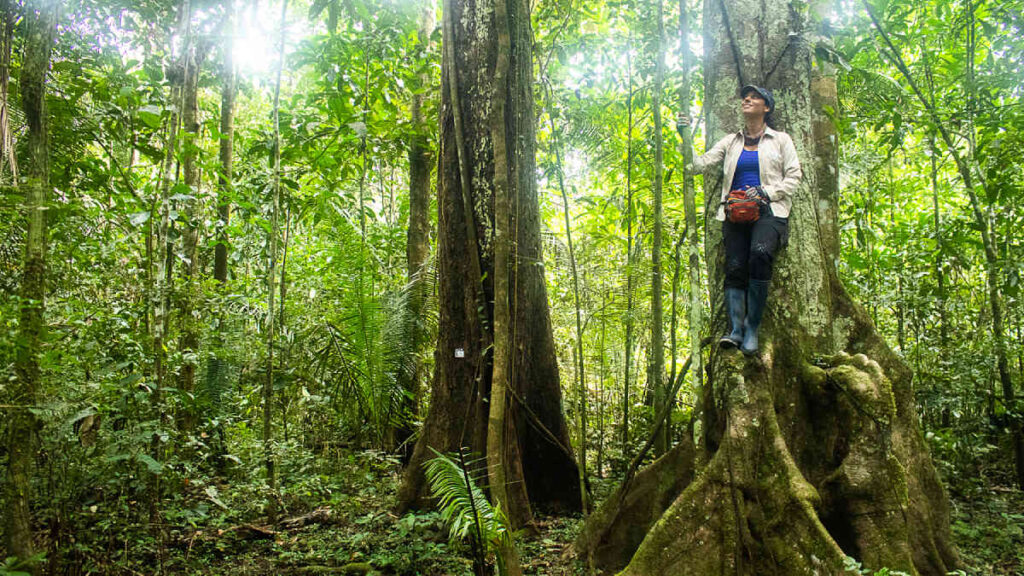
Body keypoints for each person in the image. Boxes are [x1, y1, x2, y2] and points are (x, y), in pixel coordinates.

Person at [676, 85, 801, 356]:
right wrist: (684, 135)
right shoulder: (731, 141)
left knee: (759, 254)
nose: (747, 99)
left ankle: (752, 328)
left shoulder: (781, 140)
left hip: (769, 211)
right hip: (734, 212)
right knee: (733, 267)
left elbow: (794, 176)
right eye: (746, 96)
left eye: (755, 97)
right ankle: (735, 330)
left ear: (766, 107)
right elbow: (697, 165)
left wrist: (766, 192)